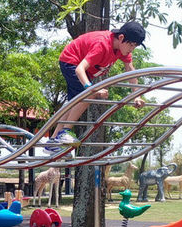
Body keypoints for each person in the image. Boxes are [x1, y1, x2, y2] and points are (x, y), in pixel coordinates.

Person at [47, 21, 147, 150]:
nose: (131, 49)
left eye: (135, 46)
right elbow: (79, 69)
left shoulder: (123, 51)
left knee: (73, 104)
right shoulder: (102, 45)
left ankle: (53, 142)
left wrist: (136, 96)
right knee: (89, 95)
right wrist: (91, 89)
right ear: (121, 38)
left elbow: (131, 72)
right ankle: (64, 132)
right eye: (131, 45)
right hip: (71, 61)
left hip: (83, 68)